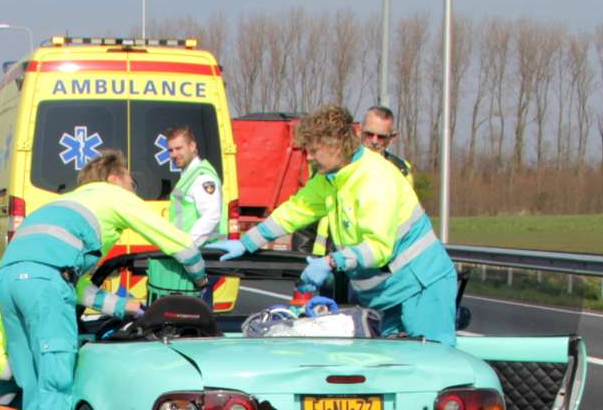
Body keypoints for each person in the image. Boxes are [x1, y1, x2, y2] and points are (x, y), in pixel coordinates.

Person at [0, 149, 208, 410]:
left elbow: (77, 287)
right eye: (132, 182)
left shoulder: (64, 204)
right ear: (113, 179)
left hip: (10, 280)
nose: (134, 189)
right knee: (58, 388)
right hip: (46, 286)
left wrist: (129, 308)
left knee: (33, 389)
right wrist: (199, 275)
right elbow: (171, 238)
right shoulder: (113, 195)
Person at [210, 105, 457, 345]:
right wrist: (247, 242)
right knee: (386, 368)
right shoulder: (331, 179)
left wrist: (331, 262)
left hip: (421, 287)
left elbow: (379, 248)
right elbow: (296, 210)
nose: (309, 156)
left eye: (314, 149)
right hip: (384, 295)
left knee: (431, 363)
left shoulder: (375, 179)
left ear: (336, 146)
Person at [150, 126, 224, 300]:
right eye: (170, 150)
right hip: (192, 257)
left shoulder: (202, 177)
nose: (174, 154)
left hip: (199, 255)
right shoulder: (188, 176)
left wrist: (187, 247)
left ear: (192, 146)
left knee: (195, 314)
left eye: (178, 148)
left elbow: (211, 215)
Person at [358, 106, 411, 178]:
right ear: (359, 131)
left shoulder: (401, 170)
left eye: (381, 137)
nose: (374, 141)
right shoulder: (344, 163)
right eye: (369, 134)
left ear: (392, 137)